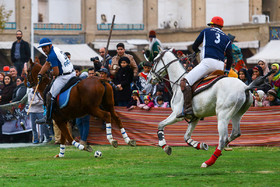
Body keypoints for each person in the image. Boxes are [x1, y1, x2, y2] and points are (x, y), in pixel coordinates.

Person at [177, 16, 233, 118]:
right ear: (221, 27)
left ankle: (188, 109)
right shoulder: (227, 38)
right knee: (204, 82)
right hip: (220, 66)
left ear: (212, 25)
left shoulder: (206, 31)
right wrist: (227, 71)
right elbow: (230, 57)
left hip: (207, 63)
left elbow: (195, 45)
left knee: (184, 82)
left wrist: (197, 51)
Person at [36, 38, 75, 124]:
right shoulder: (55, 49)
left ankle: (48, 118)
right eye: (42, 48)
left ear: (50, 45)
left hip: (64, 77)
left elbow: (56, 73)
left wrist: (49, 73)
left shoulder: (52, 55)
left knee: (50, 95)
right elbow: (46, 64)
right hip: (72, 73)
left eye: (45, 47)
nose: (43, 49)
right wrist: (40, 74)